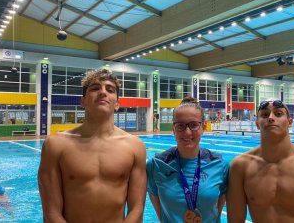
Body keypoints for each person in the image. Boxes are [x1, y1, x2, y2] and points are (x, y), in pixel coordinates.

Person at [38, 69, 146, 222]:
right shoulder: (55, 145)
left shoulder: (135, 147)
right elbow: (51, 213)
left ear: (117, 103)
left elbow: (137, 209)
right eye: (95, 88)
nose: (103, 92)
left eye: (110, 89)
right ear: (83, 101)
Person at [227, 99, 294, 222]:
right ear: (257, 123)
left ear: (290, 122)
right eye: (265, 115)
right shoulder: (240, 166)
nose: (271, 118)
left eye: (278, 114)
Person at [147, 96, 229, 223]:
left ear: (203, 127)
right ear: (173, 129)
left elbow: (218, 210)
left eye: (194, 125)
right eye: (180, 126)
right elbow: (157, 206)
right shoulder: (157, 164)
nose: (187, 132)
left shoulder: (219, 165)